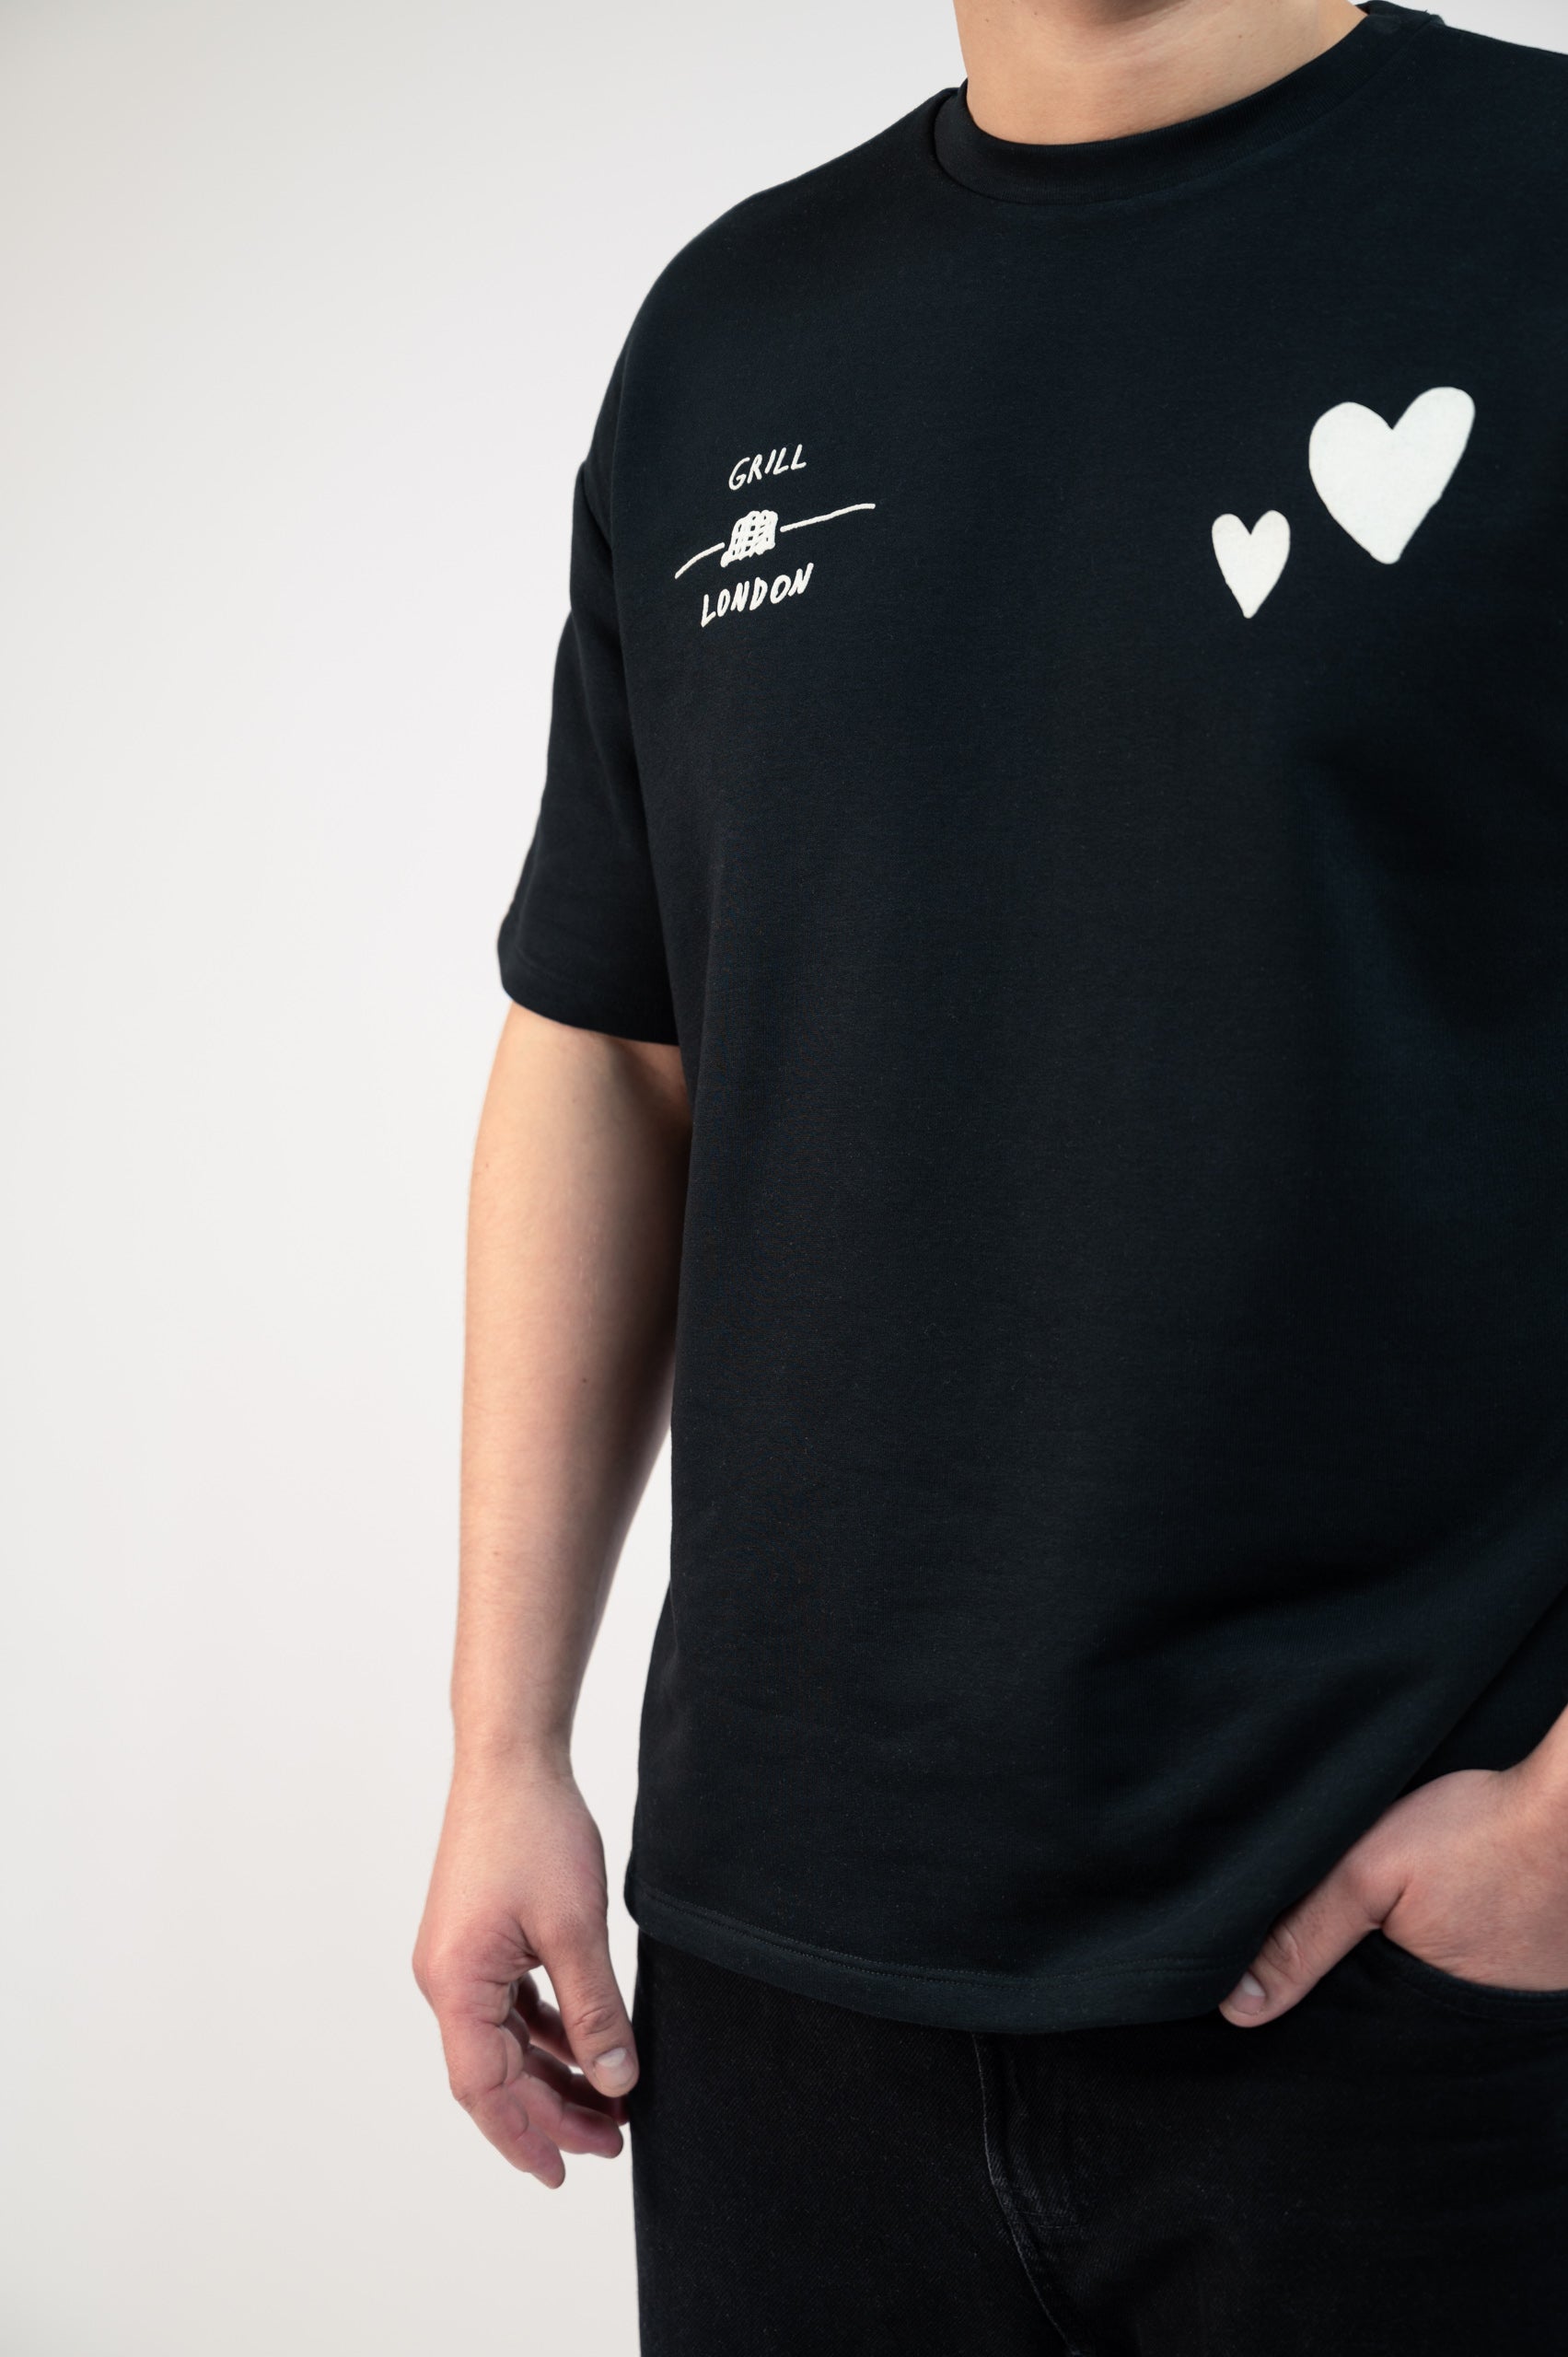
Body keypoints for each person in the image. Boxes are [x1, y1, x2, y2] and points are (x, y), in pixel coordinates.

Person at [413, 2, 1568, 2346]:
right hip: (778, 1997)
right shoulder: (735, 330)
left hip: (1411, 1982)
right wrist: (504, 1737)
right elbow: (612, 1042)